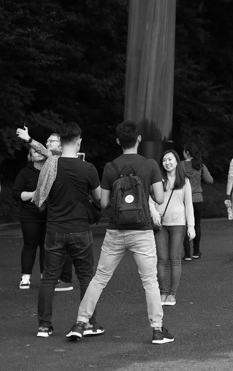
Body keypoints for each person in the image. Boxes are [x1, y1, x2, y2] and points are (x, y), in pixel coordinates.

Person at [69, 120, 172, 344]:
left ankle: (81, 322)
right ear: (139, 139)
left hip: (115, 230)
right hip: (142, 230)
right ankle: (157, 330)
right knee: (150, 281)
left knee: (99, 279)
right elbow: (160, 198)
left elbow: (104, 202)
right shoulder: (150, 165)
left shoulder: (110, 167)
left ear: (118, 141)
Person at [35, 122, 102, 339]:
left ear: (60, 142)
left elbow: (41, 195)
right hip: (80, 229)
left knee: (49, 279)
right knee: (85, 277)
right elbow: (99, 198)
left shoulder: (49, 166)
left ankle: (44, 326)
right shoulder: (88, 168)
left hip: (54, 228)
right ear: (79, 141)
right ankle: (88, 322)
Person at [11, 141, 73, 290]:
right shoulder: (25, 172)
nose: (37, 153)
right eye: (34, 152)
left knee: (46, 247)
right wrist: (35, 194)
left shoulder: (51, 169)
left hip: (48, 214)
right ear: (30, 156)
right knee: (30, 245)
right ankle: (25, 278)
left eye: (39, 151)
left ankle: (45, 276)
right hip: (29, 214)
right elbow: (15, 194)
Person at [154, 149, 195, 306]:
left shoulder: (184, 181)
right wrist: (154, 214)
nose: (167, 163)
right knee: (162, 259)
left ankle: (172, 294)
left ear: (177, 161)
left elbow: (189, 206)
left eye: (170, 159)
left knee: (175, 259)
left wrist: (191, 226)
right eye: (164, 160)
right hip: (160, 224)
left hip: (178, 224)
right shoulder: (158, 180)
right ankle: (163, 292)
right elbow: (150, 200)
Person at [181, 143, 213, 260]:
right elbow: (209, 180)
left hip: (184, 200)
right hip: (197, 199)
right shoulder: (200, 166)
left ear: (187, 152)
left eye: (184, 151)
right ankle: (196, 251)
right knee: (197, 225)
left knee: (185, 225)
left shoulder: (180, 165)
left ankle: (187, 254)